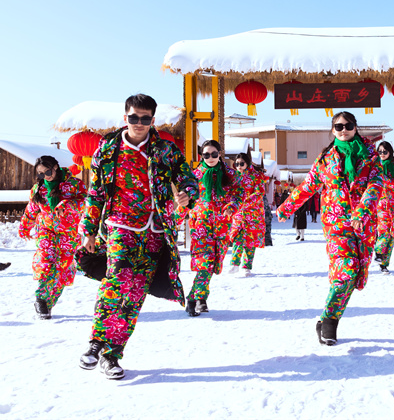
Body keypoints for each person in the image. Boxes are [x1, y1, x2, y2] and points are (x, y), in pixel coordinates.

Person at [76, 94, 199, 380]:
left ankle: (112, 355)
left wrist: (187, 193)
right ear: (125, 118)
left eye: (145, 118)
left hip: (155, 230)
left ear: (152, 120)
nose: (139, 123)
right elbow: (96, 192)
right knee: (117, 281)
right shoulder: (108, 149)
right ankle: (97, 341)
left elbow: (188, 178)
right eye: (134, 117)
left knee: (135, 293)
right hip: (120, 226)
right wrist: (89, 230)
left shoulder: (166, 150)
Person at [276, 111, 383, 346]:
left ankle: (329, 318)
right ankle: (329, 321)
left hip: (363, 225)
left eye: (348, 125)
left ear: (356, 127)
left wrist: (362, 211)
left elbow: (375, 185)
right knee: (346, 271)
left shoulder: (371, 156)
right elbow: (308, 186)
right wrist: (286, 207)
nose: (344, 130)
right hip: (336, 225)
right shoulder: (325, 159)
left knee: (355, 276)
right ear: (333, 130)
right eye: (339, 126)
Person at [19, 156, 87, 319]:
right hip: (46, 231)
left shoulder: (74, 184)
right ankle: (41, 299)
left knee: (62, 269)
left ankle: (48, 304)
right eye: (40, 174)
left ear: (56, 167)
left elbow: (86, 202)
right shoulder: (39, 188)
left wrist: (67, 204)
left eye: (47, 172)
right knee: (46, 263)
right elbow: (32, 209)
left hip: (68, 233)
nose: (45, 176)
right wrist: (25, 226)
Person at [180, 139, 240, 316]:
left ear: (219, 154)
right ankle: (193, 299)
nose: (211, 157)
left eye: (214, 154)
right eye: (206, 155)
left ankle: (202, 298)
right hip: (201, 227)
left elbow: (239, 194)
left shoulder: (230, 174)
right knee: (205, 264)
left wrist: (232, 206)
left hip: (221, 227)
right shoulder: (194, 176)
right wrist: (174, 219)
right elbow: (186, 200)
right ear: (201, 156)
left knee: (213, 265)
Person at [229, 152, 269, 276]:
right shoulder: (234, 177)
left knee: (250, 241)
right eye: (237, 164)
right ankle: (235, 264)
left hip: (253, 213)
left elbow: (259, 192)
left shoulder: (256, 176)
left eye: (241, 164)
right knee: (237, 237)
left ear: (247, 163)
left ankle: (247, 266)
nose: (239, 166)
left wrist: (244, 201)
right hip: (239, 213)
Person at [374, 141, 394, 275]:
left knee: (391, 236)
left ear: (390, 152)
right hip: (382, 205)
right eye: (379, 152)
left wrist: (387, 180)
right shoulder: (376, 166)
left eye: (384, 151)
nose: (382, 154)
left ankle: (384, 264)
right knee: (384, 231)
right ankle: (379, 252)